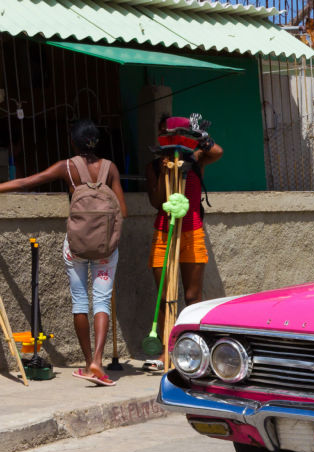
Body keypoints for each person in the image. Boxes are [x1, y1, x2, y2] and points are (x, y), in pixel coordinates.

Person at [0, 119, 126, 386]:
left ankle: (87, 359)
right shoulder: (110, 168)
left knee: (80, 301)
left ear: (73, 142)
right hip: (105, 249)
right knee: (101, 301)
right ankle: (98, 362)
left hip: (76, 247)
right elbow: (122, 211)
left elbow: (26, 183)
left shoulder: (67, 167)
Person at [144, 114, 222, 369]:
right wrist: (166, 173)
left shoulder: (196, 158)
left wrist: (201, 137)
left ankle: (195, 350)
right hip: (164, 231)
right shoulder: (155, 165)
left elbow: (218, 152)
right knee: (165, 297)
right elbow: (156, 202)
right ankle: (166, 351)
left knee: (192, 296)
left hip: (192, 231)